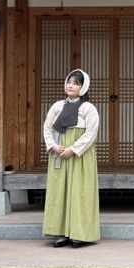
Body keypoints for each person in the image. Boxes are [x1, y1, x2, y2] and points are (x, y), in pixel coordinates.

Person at [43, 69, 100, 248]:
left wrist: (73, 149)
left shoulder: (88, 108)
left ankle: (79, 234)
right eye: (69, 82)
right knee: (60, 192)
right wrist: (53, 145)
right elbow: (47, 128)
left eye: (76, 83)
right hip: (59, 153)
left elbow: (91, 133)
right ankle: (62, 233)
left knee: (79, 192)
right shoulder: (57, 106)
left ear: (83, 87)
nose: (71, 85)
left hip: (80, 156)